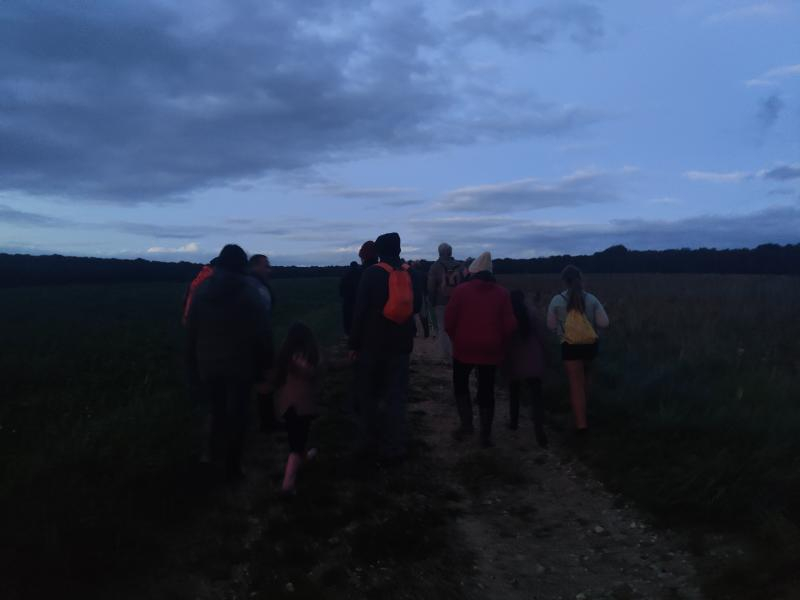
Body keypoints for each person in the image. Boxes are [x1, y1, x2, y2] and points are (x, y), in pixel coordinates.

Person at [186, 244, 274, 482]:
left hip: (208, 363)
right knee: (238, 414)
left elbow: (191, 329)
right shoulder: (249, 291)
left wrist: (192, 364)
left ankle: (208, 458)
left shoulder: (202, 289)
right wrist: (267, 363)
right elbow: (263, 331)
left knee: (215, 411)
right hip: (240, 365)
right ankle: (233, 467)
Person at [349, 232, 421, 464]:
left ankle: (367, 441)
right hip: (401, 344)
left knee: (369, 393)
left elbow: (359, 311)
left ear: (379, 251)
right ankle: (395, 446)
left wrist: (354, 343)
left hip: (373, 343)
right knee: (397, 395)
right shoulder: (412, 273)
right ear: (399, 249)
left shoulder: (371, 274)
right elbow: (416, 306)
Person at [445, 251, 517, 448]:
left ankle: (467, 425)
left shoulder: (461, 291)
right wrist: (500, 343)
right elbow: (510, 325)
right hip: (491, 349)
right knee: (486, 390)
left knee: (461, 385)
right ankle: (485, 435)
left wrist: (456, 339)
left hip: (464, 347)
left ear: (473, 272)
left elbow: (449, 322)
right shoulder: (502, 293)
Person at [546, 265, 609, 433]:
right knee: (587, 381)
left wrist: (562, 329)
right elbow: (604, 323)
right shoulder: (591, 299)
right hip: (590, 346)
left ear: (564, 281)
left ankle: (581, 425)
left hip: (569, 347)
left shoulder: (557, 300)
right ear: (581, 279)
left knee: (576, 385)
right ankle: (588, 411)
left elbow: (550, 325)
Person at [272, 322, 321, 494]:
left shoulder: (284, 357)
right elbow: (314, 372)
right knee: (296, 443)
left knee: (296, 437)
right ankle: (288, 483)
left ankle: (304, 457)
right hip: (303, 407)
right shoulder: (306, 358)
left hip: (287, 407)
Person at [505, 290, 548, 448]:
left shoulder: (508, 316)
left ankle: (514, 422)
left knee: (514, 392)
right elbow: (542, 336)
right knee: (537, 397)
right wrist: (545, 353)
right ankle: (539, 431)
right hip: (533, 359)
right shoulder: (532, 313)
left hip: (514, 360)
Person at [248, 254, 279, 433]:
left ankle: (265, 421)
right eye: (266, 266)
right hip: (257, 343)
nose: (269, 270)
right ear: (255, 267)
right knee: (264, 381)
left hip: (252, 342)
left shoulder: (252, 285)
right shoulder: (255, 287)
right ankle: (267, 423)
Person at [427, 243, 462, 360]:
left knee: (443, 328)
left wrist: (431, 300)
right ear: (451, 252)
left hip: (441, 302)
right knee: (457, 328)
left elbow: (431, 286)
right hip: (458, 302)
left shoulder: (435, 266)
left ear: (439, 252)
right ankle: (456, 352)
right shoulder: (460, 266)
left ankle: (445, 354)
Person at [339, 241, 378, 336]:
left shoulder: (351, 275)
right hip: (382, 329)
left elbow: (347, 304)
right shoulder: (387, 273)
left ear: (362, 256)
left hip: (360, 329)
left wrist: (349, 332)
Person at [182, 258, 216, 325]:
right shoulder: (211, 277)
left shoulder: (200, 275)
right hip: (201, 320)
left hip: (190, 317)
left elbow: (186, 297)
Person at [409, 261, 430, 338]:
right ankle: (426, 332)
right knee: (423, 315)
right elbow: (427, 286)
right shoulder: (424, 274)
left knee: (412, 315)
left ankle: (414, 332)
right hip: (422, 294)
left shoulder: (410, 274)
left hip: (412, 295)